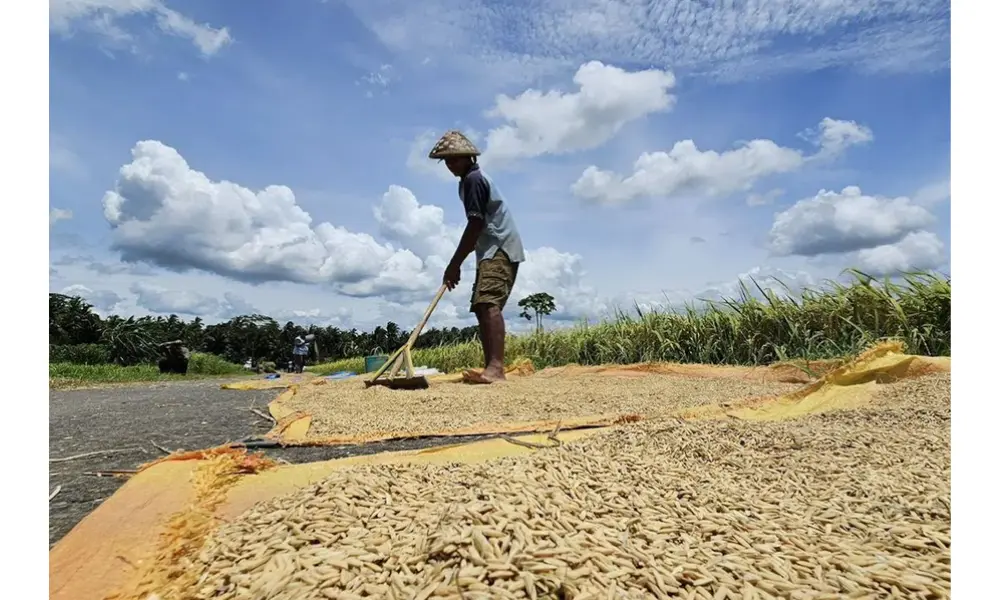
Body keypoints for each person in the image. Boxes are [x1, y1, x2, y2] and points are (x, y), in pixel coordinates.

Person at [428, 130, 525, 384]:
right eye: (446, 161)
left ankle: (496, 368)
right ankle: (491, 367)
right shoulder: (466, 182)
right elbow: (477, 228)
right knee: (481, 305)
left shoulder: (474, 180)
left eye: (455, 159)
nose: (450, 165)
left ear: (468, 157)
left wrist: (453, 264)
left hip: (500, 248)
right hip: (489, 250)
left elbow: (475, 225)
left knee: (488, 302)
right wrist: (460, 261)